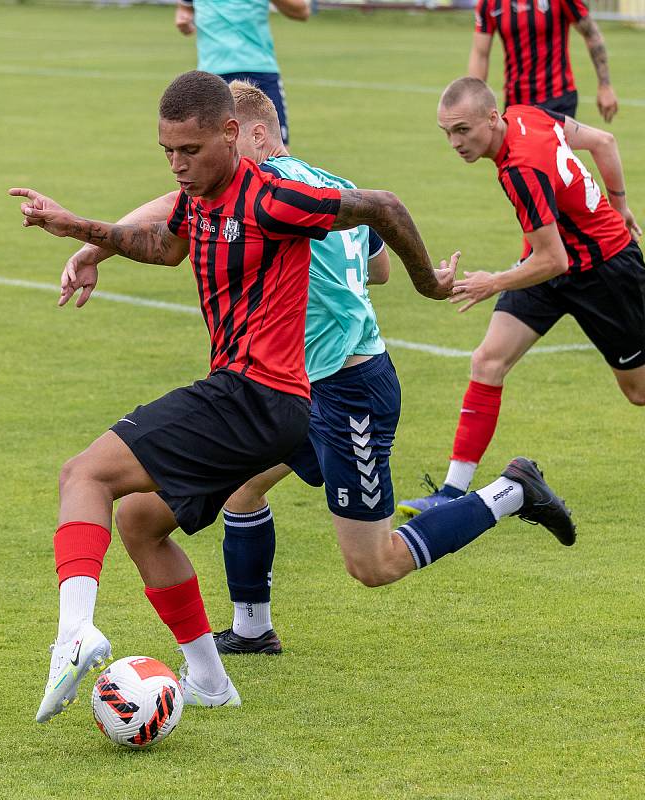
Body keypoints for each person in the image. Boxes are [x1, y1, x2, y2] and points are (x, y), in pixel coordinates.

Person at [60, 80, 578, 661]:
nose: (200, 169)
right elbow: (376, 268)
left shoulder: (279, 189)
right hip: (285, 388)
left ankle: (511, 492)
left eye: (210, 147)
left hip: (349, 388)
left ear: (250, 133)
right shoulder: (326, 184)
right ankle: (251, 629)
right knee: (233, 493)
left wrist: (91, 247)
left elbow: (169, 208)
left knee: (373, 563)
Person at [8, 69, 457, 722]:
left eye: (189, 151)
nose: (178, 166)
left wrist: (430, 286)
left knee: (84, 473)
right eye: (168, 152)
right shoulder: (207, 199)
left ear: (232, 134)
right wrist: (79, 230)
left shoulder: (276, 197)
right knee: (140, 520)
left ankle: (74, 636)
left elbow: (382, 207)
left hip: (259, 398)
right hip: (252, 399)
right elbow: (164, 246)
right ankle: (211, 677)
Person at [397, 77, 643, 518]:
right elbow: (604, 142)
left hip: (606, 271)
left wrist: (493, 282)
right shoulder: (528, 114)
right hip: (551, 265)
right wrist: (620, 204)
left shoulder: (519, 170)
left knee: (638, 391)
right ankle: (451, 492)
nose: (454, 142)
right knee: (488, 360)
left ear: (492, 119)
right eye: (447, 133)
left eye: (462, 130)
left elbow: (556, 260)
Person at [174, 0, 310, 143]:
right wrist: (184, 21)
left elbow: (302, 11)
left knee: (275, 152)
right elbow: (185, 9)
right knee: (210, 150)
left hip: (258, 70)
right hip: (212, 75)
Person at [469, 0, 618, 122]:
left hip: (558, 99)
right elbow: (480, 53)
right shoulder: (489, 3)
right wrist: (474, 101)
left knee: (551, 157)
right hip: (516, 104)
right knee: (523, 158)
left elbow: (591, 34)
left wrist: (605, 86)